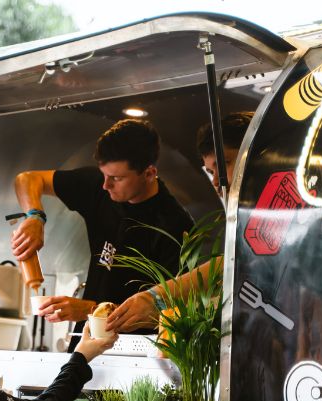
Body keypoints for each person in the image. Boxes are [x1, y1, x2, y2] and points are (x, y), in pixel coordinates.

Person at [11, 119, 193, 348]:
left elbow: (168, 312)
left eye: (116, 178)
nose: (106, 185)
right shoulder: (99, 186)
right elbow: (27, 179)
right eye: (103, 174)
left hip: (133, 352)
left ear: (149, 173)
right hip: (86, 343)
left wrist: (88, 308)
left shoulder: (174, 226)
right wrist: (34, 217)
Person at [107, 112, 254, 333]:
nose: (216, 182)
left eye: (225, 164)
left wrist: (155, 298)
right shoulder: (248, 219)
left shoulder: (290, 209)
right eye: (211, 171)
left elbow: (236, 262)